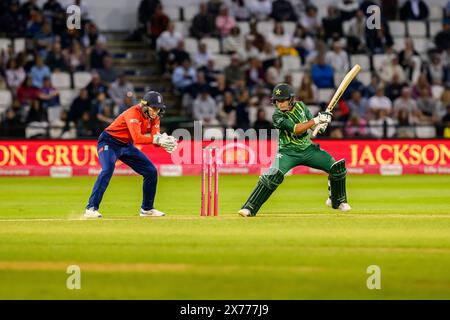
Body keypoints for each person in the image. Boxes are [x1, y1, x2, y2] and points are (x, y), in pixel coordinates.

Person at [238, 83, 351, 217]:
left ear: (291, 99)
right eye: (276, 101)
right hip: (287, 152)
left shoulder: (301, 106)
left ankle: (337, 200)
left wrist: (321, 125)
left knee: (336, 167)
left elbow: (311, 127)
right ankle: (249, 208)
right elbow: (296, 129)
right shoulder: (277, 116)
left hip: (308, 149)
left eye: (282, 100)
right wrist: (316, 120)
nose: (279, 104)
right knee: (272, 176)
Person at [85, 91, 178, 218]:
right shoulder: (133, 113)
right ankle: (91, 208)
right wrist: (157, 140)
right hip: (109, 142)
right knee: (107, 170)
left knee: (151, 172)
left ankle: (147, 209)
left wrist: (162, 141)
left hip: (126, 145)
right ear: (145, 106)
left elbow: (155, 139)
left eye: (159, 109)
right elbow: (138, 138)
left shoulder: (155, 118)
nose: (156, 112)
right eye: (154, 108)